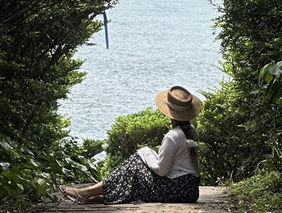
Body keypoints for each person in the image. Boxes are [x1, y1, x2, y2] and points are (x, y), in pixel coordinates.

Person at [59, 85, 202, 205]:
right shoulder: (191, 131)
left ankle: (85, 192)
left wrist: (145, 153)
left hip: (175, 190)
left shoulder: (173, 136)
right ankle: (93, 198)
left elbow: (161, 170)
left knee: (136, 162)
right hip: (190, 190)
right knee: (136, 177)